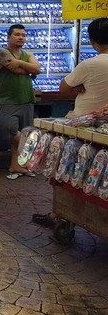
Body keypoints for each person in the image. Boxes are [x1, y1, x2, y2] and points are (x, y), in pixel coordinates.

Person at [32, 18, 108, 229]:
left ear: (92, 42)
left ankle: (62, 215)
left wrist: (79, 86)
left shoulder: (90, 64)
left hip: (82, 127)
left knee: (68, 169)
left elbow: (64, 86)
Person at [0, 24, 42, 180]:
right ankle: (35, 149)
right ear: (8, 37)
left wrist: (21, 63)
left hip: (26, 99)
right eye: (17, 34)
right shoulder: (1, 53)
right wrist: (29, 69)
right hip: (7, 100)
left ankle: (16, 165)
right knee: (8, 130)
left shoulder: (28, 54)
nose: (21, 37)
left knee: (24, 131)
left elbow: (38, 69)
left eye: (23, 35)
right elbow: (17, 70)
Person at [60, 17, 108, 118]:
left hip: (86, 120)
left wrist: (76, 86)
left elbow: (63, 88)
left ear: (92, 41)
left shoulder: (89, 65)